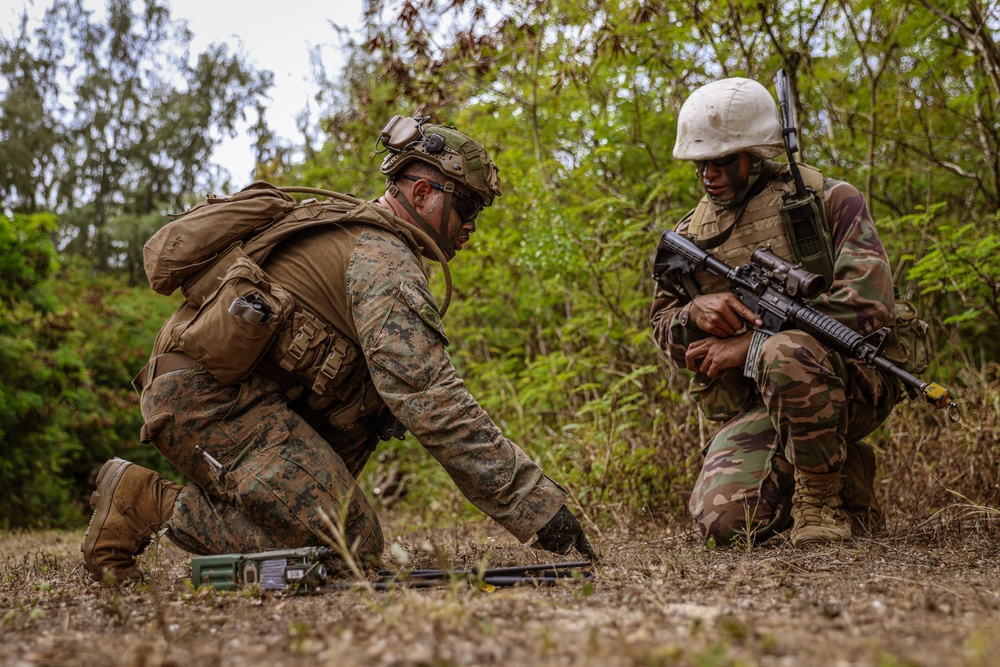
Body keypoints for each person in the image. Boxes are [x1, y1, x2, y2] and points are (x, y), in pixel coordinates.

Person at [82, 116, 596, 582]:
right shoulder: (382, 261)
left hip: (231, 399)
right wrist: (536, 506)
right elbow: (431, 400)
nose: (470, 226)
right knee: (348, 546)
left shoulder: (357, 233)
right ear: (421, 193)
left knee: (327, 538)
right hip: (205, 400)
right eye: (465, 206)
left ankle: (160, 507)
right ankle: (144, 502)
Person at [650, 78, 901, 547]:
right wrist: (695, 315)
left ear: (756, 153)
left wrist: (748, 346)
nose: (709, 174)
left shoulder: (826, 200)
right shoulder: (692, 233)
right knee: (724, 527)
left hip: (852, 381)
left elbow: (870, 304)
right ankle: (843, 471)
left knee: (785, 352)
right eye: (701, 163)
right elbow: (661, 325)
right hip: (763, 404)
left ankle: (820, 504)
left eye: (723, 161)